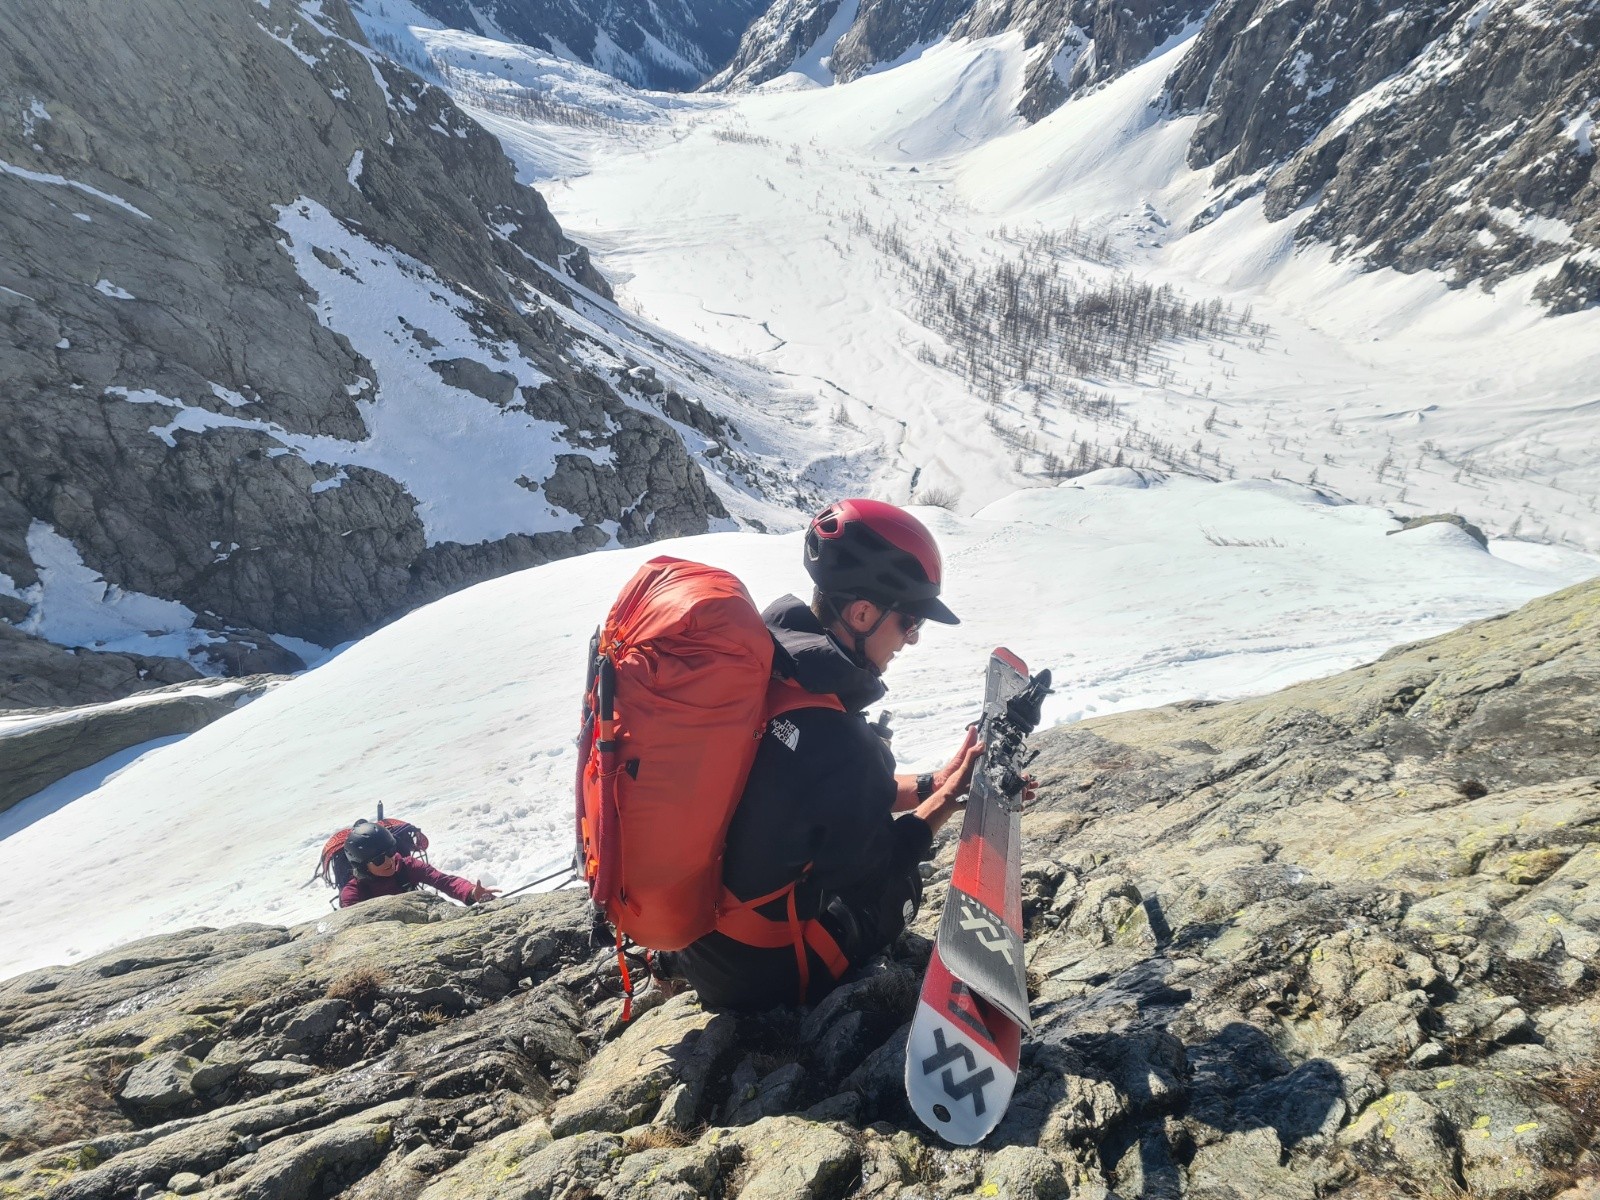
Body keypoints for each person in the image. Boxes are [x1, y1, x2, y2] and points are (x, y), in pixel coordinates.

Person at [660, 498, 986, 1010]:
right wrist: (944, 802)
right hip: (755, 975)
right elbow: (886, 858)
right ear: (862, 613)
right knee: (893, 890)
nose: (913, 640)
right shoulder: (841, 744)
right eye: (909, 623)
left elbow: (830, 796)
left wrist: (934, 782)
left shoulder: (764, 661)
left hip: (686, 928)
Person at [338, 820, 501, 909]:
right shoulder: (353, 894)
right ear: (362, 866)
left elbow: (444, 881)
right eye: (379, 859)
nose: (388, 861)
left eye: (390, 852)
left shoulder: (406, 866)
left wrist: (471, 892)